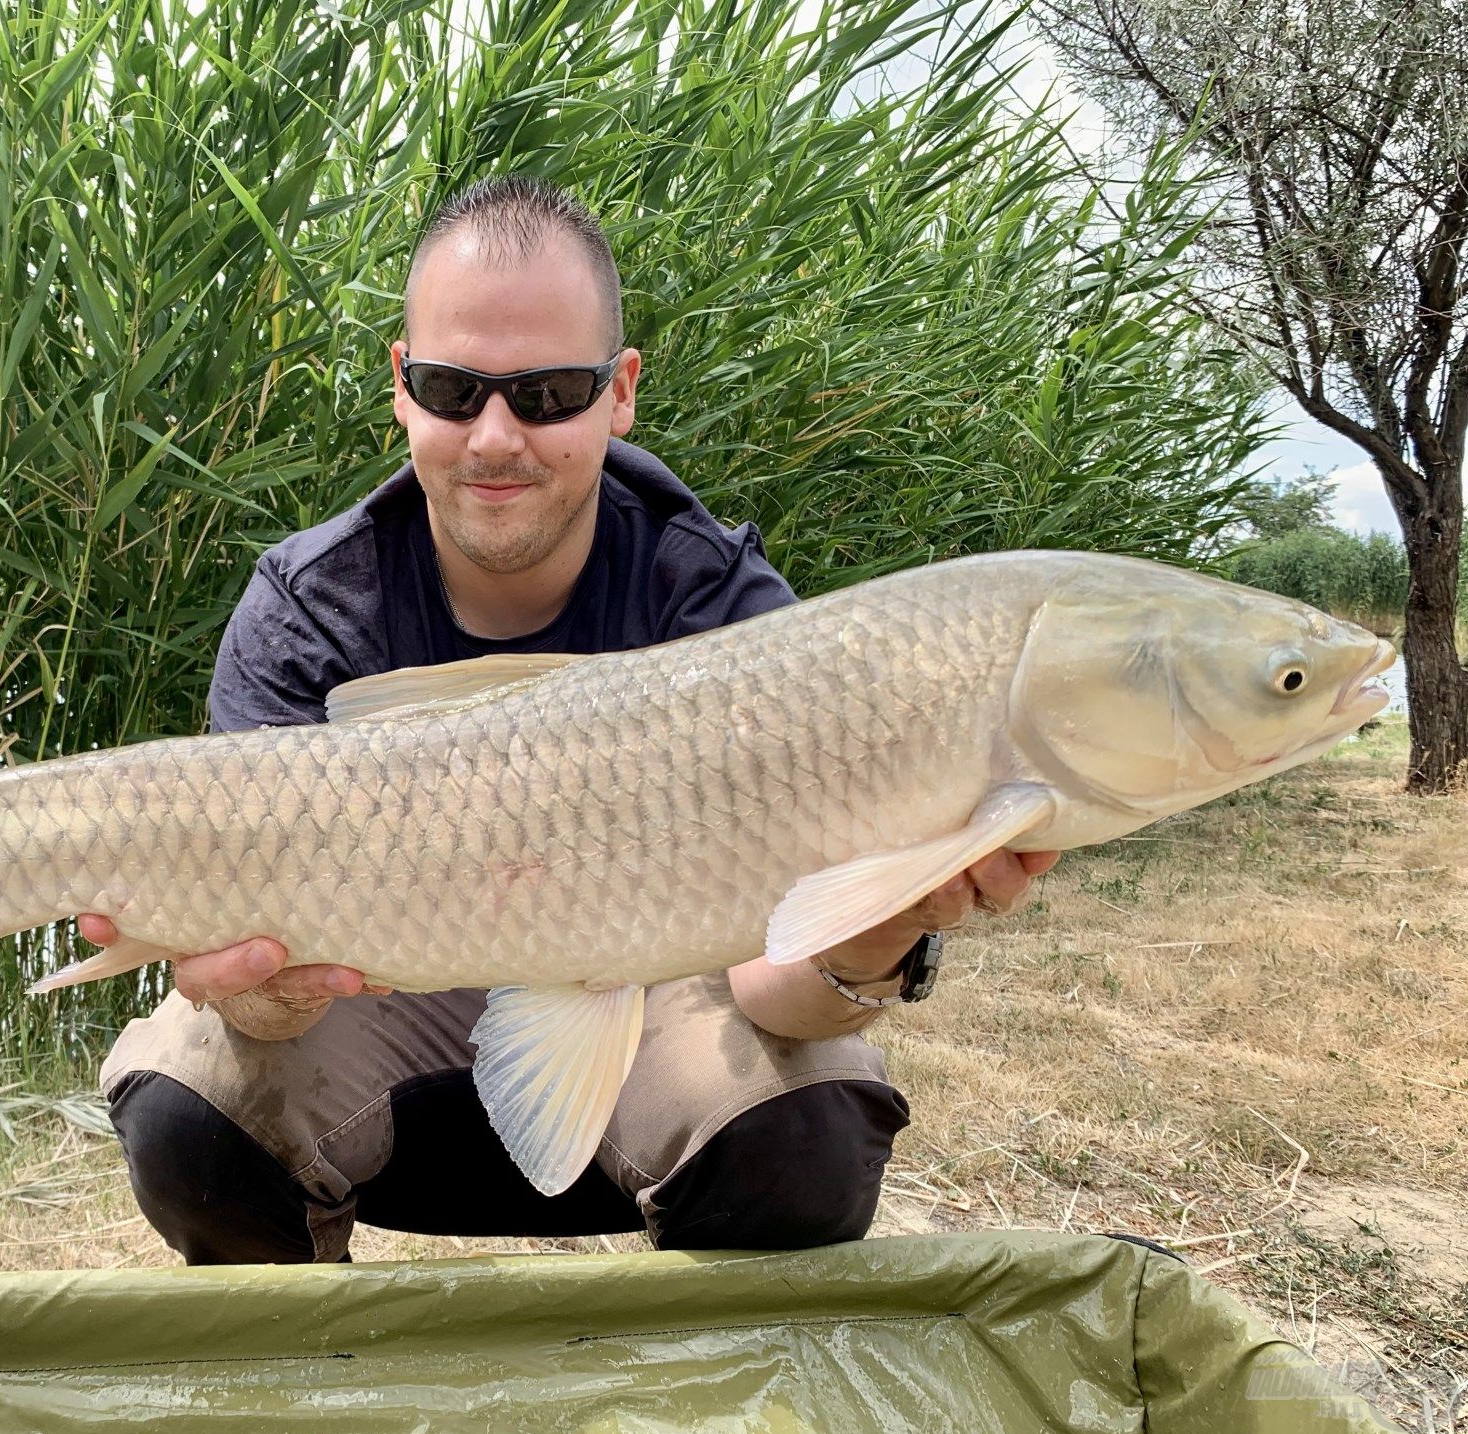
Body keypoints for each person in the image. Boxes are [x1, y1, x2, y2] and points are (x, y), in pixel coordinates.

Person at [80, 175, 1058, 1264]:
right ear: (402, 387)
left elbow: (776, 992)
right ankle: (323, 1378)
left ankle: (694, 1398)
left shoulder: (717, 604)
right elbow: (250, 997)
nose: (497, 437)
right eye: (455, 389)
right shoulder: (312, 606)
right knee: (190, 1108)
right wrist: (253, 993)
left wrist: (879, 935)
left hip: (648, 1000)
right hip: (375, 1003)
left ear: (620, 390)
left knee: (809, 1132)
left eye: (547, 393)